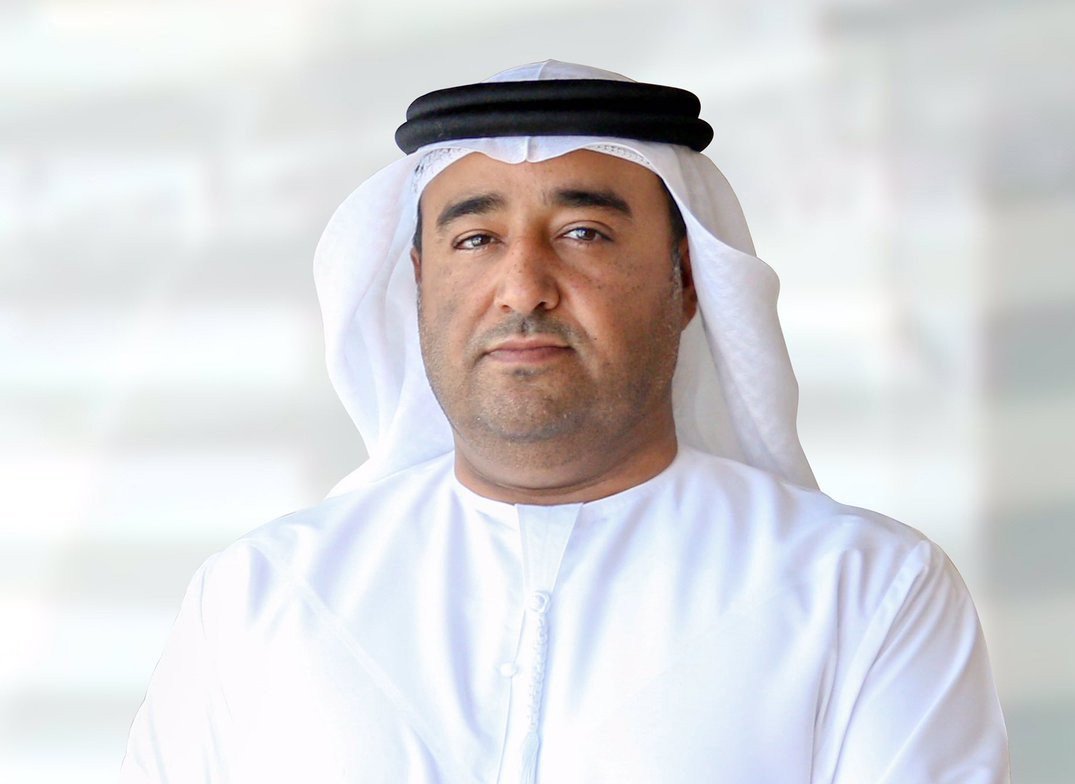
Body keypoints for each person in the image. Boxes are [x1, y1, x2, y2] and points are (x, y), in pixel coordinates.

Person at [121, 61, 1010, 783]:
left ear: (687, 280)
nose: (522, 287)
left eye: (583, 232)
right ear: (418, 282)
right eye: (475, 240)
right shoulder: (260, 597)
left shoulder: (861, 590)